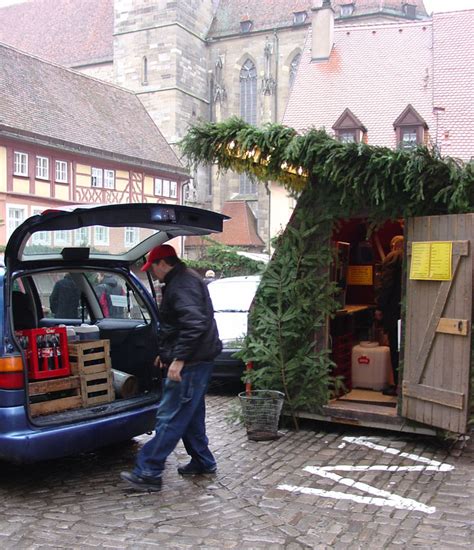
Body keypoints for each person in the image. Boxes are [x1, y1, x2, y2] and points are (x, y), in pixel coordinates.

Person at [121, 244, 222, 492]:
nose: (153, 273)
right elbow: (180, 326)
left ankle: (148, 471)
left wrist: (178, 360)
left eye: (152, 268)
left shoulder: (181, 285)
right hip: (198, 360)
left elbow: (194, 324)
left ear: (163, 263)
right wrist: (165, 354)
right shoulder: (186, 280)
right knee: (192, 414)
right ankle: (202, 461)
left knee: (171, 417)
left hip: (191, 363)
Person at [375, 235, 404, 395]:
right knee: (404, 348)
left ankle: (397, 386)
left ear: (393, 245)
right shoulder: (409, 257)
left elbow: (386, 285)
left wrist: (380, 307)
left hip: (393, 312)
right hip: (406, 311)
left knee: (395, 347)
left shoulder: (393, 257)